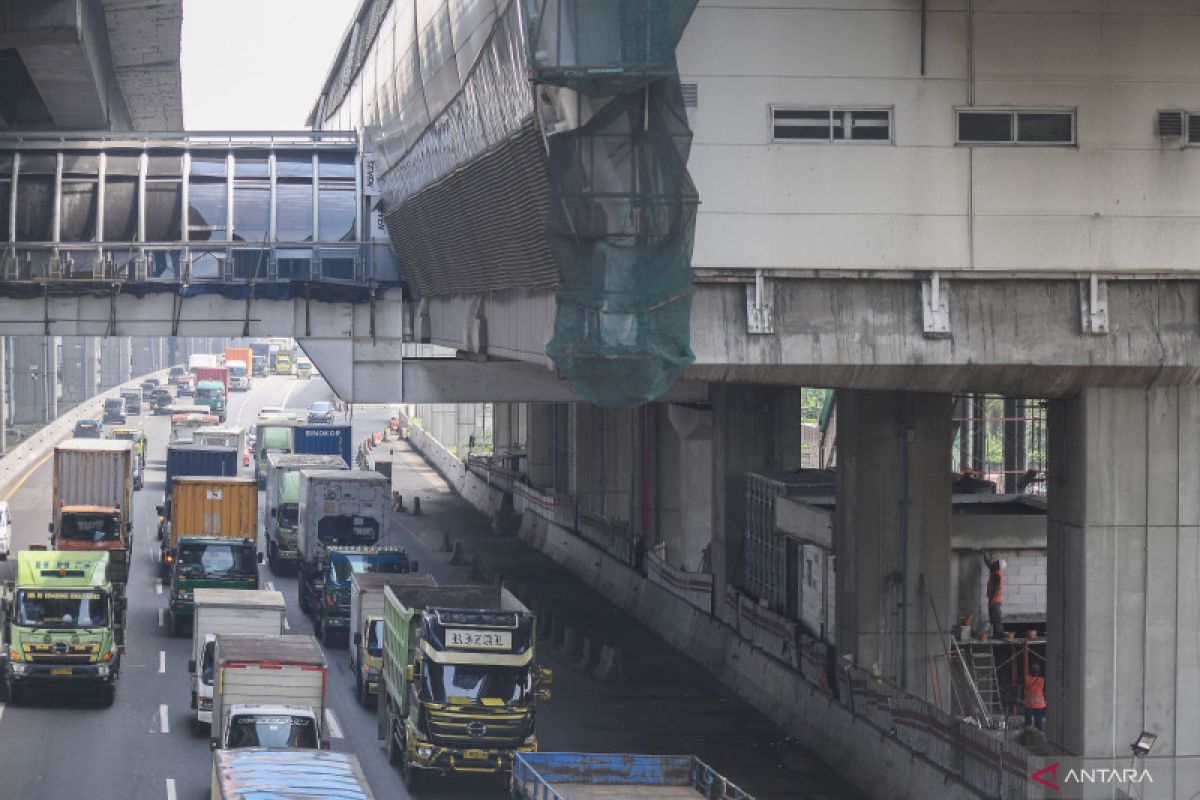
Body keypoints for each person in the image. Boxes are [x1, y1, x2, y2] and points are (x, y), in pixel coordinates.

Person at [983, 554, 1005, 638]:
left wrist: (991, 602)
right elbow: (989, 564)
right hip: (993, 600)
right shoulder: (994, 570)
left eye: (996, 562)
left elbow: (995, 590)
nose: (994, 562)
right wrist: (984, 557)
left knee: (996, 618)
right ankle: (995, 634)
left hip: (995, 600)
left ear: (998, 566)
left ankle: (1000, 634)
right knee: (993, 618)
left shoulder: (997, 576)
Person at [1023, 663, 1047, 731]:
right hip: (1039, 704)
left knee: (1028, 721)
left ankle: (1027, 731)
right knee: (1038, 722)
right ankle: (1039, 732)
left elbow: (1024, 687)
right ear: (1039, 672)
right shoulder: (1042, 680)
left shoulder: (1027, 679)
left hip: (1029, 703)